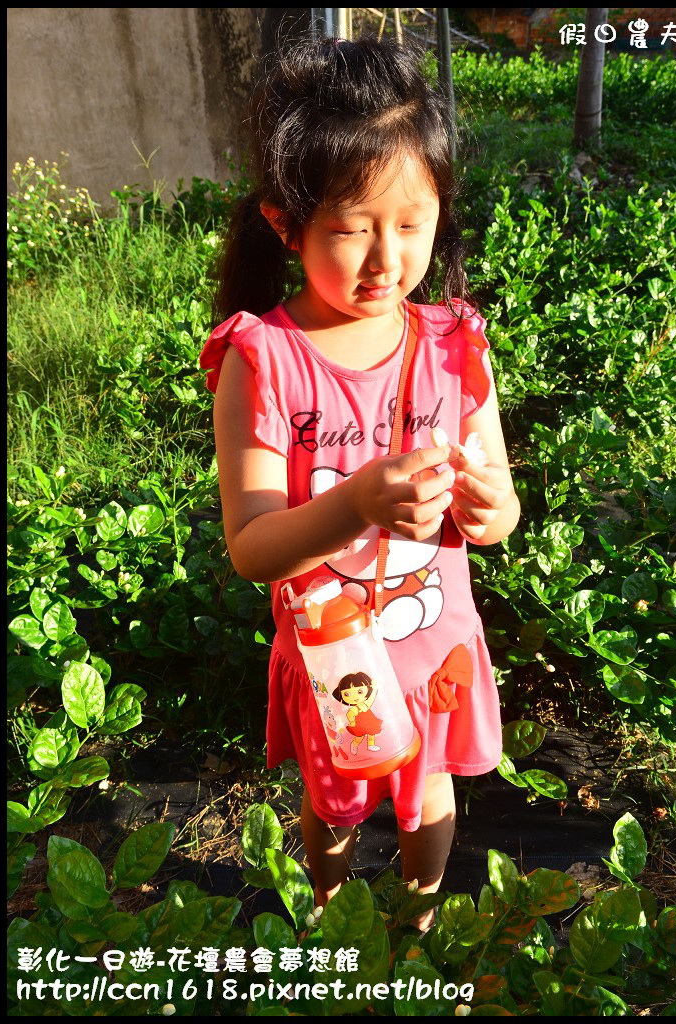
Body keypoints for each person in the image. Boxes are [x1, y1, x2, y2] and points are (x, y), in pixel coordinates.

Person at [200, 36, 520, 930]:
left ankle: (418, 920)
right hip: (334, 656)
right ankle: (332, 911)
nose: (386, 259)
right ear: (283, 223)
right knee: (334, 804)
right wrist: (354, 504)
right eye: (350, 228)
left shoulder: (455, 343)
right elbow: (252, 547)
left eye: (411, 224)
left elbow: (494, 493)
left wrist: (494, 512)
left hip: (435, 648)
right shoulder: (264, 362)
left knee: (433, 797)